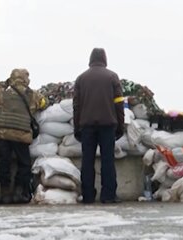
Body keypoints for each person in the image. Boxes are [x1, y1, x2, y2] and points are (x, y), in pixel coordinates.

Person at [73, 48, 125, 204]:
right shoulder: (112, 77)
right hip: (108, 125)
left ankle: (88, 195)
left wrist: (77, 128)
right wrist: (120, 126)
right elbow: (119, 104)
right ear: (104, 59)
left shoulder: (81, 79)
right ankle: (108, 195)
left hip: (87, 125)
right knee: (107, 160)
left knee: (87, 161)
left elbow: (76, 106)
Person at [0, 68, 47, 204]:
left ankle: (5, 193)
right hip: (21, 134)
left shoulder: (4, 94)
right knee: (24, 163)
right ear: (27, 80)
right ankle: (19, 191)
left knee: (4, 162)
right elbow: (44, 102)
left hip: (3, 133)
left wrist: (5, 83)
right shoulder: (33, 95)